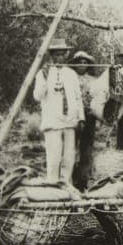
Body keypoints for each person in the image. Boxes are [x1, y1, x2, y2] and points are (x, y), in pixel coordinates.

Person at [33, 38, 84, 186]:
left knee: (69, 158)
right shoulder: (43, 73)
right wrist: (44, 78)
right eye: (57, 55)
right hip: (53, 122)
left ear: (66, 55)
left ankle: (66, 186)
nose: (60, 58)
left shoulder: (71, 74)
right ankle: (52, 186)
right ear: (51, 56)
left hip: (70, 122)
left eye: (62, 54)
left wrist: (81, 118)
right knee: (54, 158)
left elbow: (78, 97)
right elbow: (37, 96)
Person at [70, 51, 109, 190]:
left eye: (85, 62)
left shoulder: (94, 80)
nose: (82, 65)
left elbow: (99, 97)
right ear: (75, 64)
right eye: (79, 62)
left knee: (86, 148)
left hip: (89, 116)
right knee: (70, 147)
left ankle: (83, 180)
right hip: (73, 117)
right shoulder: (69, 77)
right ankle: (70, 177)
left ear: (88, 65)